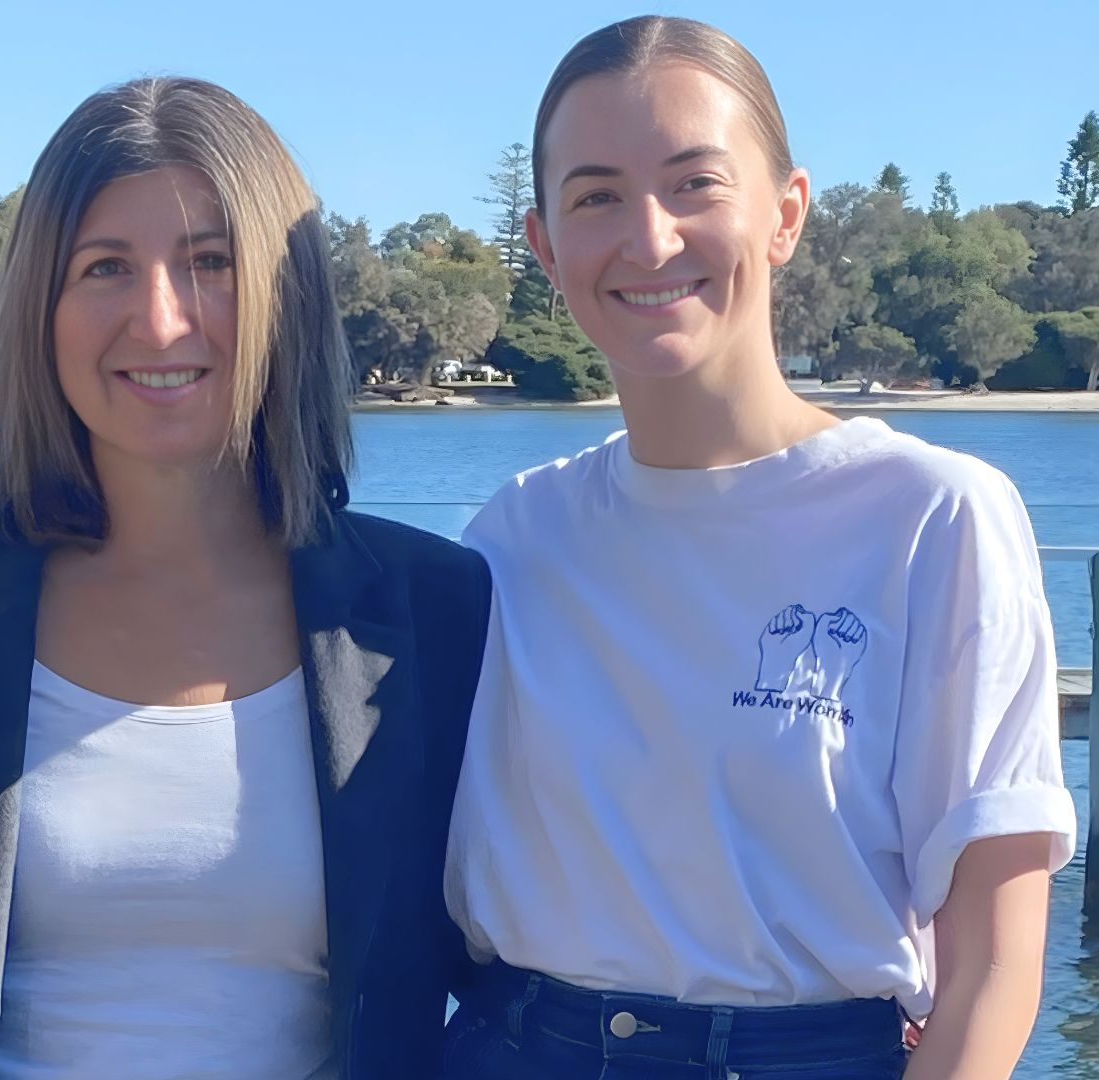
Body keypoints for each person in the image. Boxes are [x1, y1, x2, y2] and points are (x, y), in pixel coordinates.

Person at [0, 76, 492, 1079]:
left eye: (211, 263)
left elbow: (522, 973)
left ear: (286, 298)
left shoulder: (433, 610)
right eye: (104, 268)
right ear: (42, 306)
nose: (161, 319)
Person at [442, 16, 1077, 1080]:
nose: (648, 239)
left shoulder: (935, 519)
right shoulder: (515, 535)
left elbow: (994, 971)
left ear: (785, 216)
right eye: (596, 195)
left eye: (695, 184)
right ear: (545, 244)